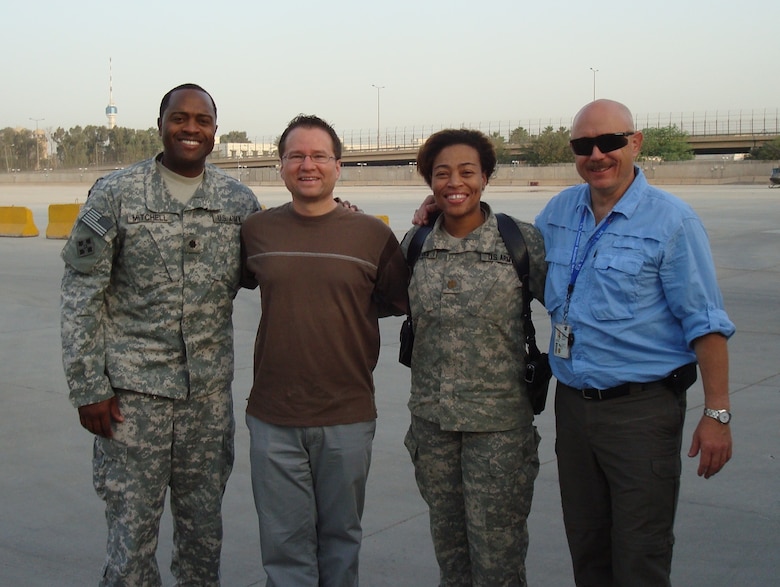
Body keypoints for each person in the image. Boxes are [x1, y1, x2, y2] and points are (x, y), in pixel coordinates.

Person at [60, 83, 261, 586]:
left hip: (207, 403)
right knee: (130, 543)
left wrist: (336, 216)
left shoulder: (238, 201)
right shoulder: (116, 193)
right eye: (180, 118)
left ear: (215, 131)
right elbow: (81, 294)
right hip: (132, 401)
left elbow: (271, 265)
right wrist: (89, 388)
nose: (190, 128)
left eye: (202, 120)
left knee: (203, 537)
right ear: (161, 124)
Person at [534, 99, 736, 586]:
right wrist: (438, 208)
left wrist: (717, 414)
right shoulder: (559, 212)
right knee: (587, 545)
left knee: (640, 552)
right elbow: (507, 256)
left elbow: (705, 322)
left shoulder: (671, 221)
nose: (597, 154)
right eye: (584, 145)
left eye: (610, 142)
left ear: (635, 142)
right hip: (574, 409)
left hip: (641, 413)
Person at [240, 114, 409, 587]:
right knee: (284, 548)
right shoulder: (256, 232)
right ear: (280, 166)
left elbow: (398, 298)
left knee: (340, 542)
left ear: (338, 166)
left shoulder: (371, 235)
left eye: (318, 156)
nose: (307, 165)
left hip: (347, 416)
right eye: (296, 155)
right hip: (273, 417)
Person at [402, 129, 546, 587]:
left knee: (498, 562)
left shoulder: (521, 243)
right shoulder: (416, 244)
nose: (454, 182)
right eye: (441, 173)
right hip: (433, 427)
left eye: (467, 171)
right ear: (429, 181)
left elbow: (572, 311)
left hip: (499, 432)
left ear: (486, 176)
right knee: (451, 557)